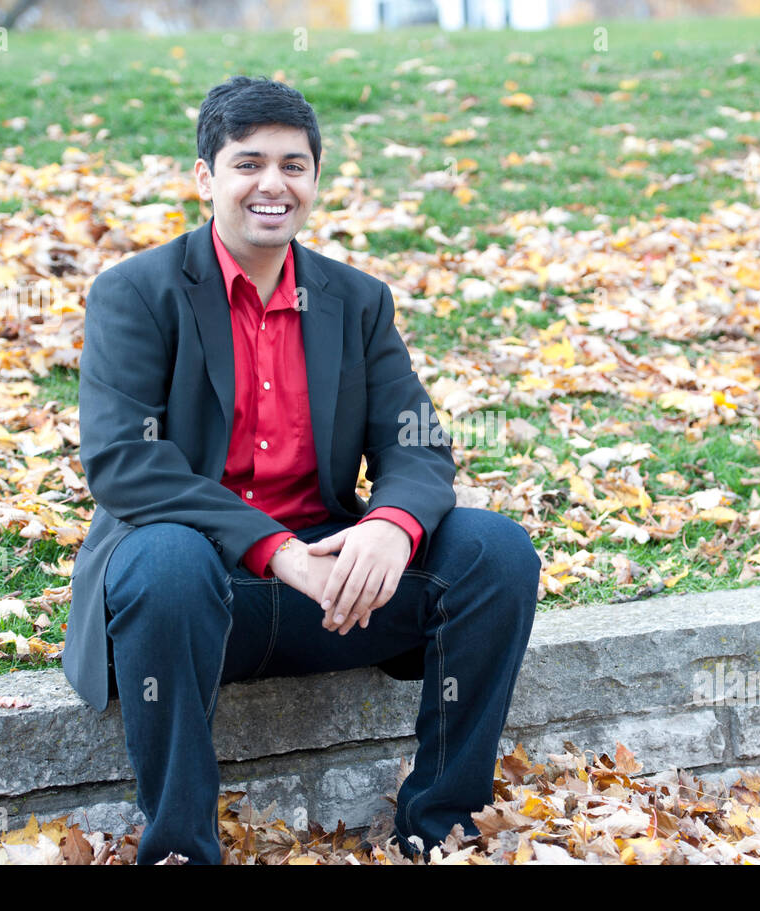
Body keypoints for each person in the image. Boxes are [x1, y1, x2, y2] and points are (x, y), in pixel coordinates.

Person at [63, 75, 541, 865]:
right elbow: (124, 462)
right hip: (194, 596)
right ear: (205, 178)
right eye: (248, 163)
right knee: (168, 558)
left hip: (338, 593)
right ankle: (181, 848)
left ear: (315, 179)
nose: (272, 184)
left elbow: (416, 442)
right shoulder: (137, 294)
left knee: (496, 552)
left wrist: (391, 526)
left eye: (293, 164)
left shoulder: (355, 300)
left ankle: (441, 827)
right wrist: (276, 550)